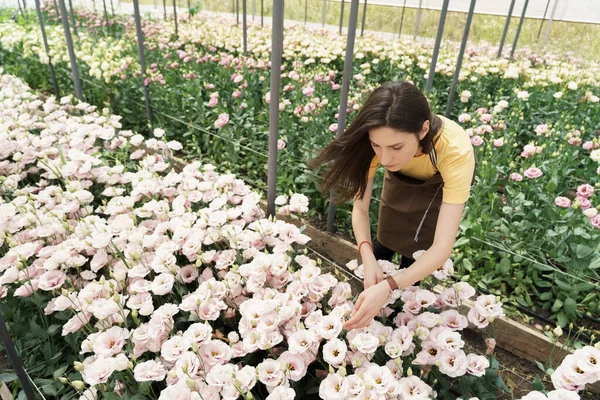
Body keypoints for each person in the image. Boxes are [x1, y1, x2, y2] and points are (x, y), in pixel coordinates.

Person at [310, 81, 476, 330]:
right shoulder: (379, 139)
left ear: (423, 130)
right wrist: (367, 256)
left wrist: (389, 285)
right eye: (377, 146)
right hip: (401, 179)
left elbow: (442, 246)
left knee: (417, 253)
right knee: (385, 236)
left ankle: (401, 322)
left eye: (396, 147)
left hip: (437, 187)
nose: (385, 158)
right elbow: (361, 209)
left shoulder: (455, 152)